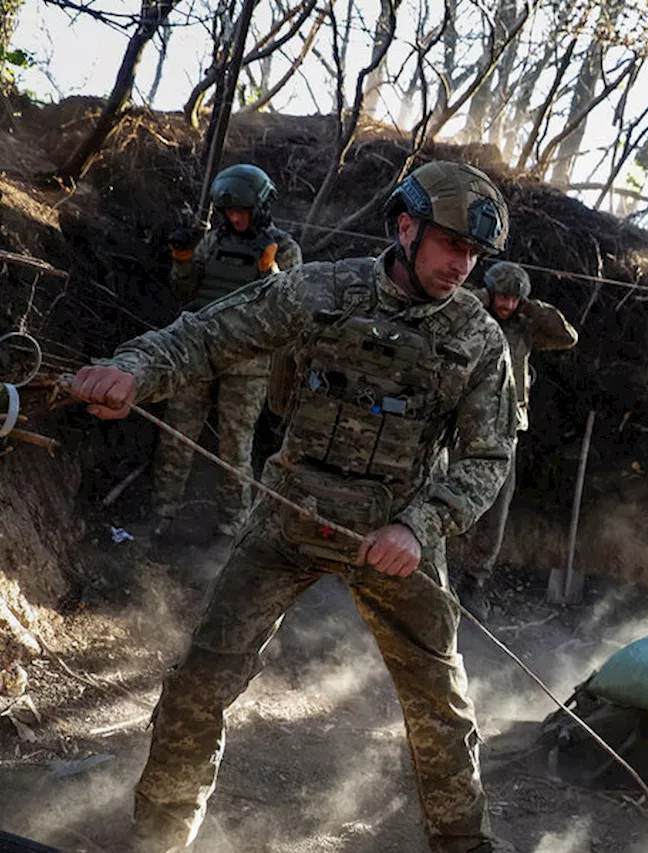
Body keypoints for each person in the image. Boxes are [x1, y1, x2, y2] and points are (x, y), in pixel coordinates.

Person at [69, 160, 517, 853]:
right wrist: (135, 367)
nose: (463, 263)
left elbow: (489, 457)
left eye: (474, 252)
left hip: (396, 539)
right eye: (451, 243)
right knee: (199, 681)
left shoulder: (479, 341)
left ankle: (463, 843)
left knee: (441, 707)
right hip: (288, 517)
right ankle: (157, 835)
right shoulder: (320, 289)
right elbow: (208, 335)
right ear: (406, 227)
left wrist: (418, 524)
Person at [153, 164, 302, 541]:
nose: (235, 218)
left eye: (243, 211)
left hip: (248, 362)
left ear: (262, 207)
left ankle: (231, 530)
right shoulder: (214, 241)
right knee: (175, 435)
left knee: (235, 447)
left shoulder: (283, 247)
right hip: (200, 351)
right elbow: (187, 294)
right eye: (229, 211)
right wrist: (183, 260)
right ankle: (161, 516)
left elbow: (292, 306)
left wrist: (272, 272)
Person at [453, 261, 578, 619]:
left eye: (512, 299)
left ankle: (474, 582)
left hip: (506, 427)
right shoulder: (472, 314)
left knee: (497, 508)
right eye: (501, 297)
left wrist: (531, 307)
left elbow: (567, 336)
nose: (505, 305)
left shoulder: (526, 327)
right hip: (460, 419)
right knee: (441, 486)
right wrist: (481, 298)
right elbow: (448, 304)